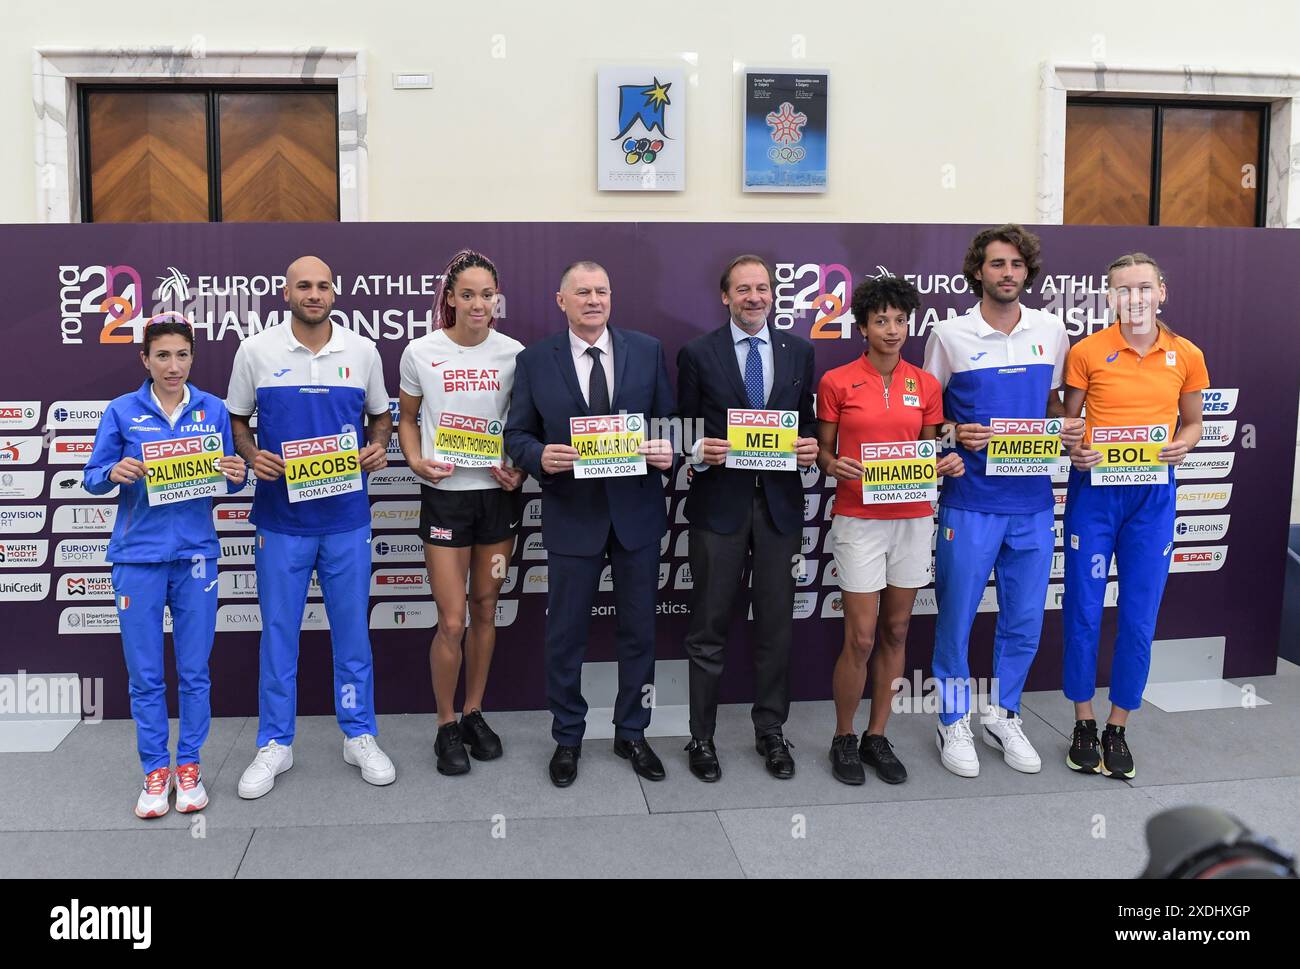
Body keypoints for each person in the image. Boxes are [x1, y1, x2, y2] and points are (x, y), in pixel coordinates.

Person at [227, 255, 396, 799]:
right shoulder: (255, 351)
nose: (315, 293)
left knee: (352, 635)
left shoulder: (363, 350)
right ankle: (275, 742)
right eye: (305, 285)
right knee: (279, 637)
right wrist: (252, 454)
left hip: (346, 519)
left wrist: (378, 447)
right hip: (281, 521)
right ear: (286, 292)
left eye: (323, 285)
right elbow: (236, 419)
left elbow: (381, 414)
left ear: (335, 292)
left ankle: (358, 733)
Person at [504, 261, 675, 788]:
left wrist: (671, 448)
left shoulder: (646, 350)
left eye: (601, 290)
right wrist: (539, 457)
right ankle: (568, 737)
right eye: (582, 292)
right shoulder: (535, 360)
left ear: (611, 297)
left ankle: (632, 732)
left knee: (639, 632)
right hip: (571, 515)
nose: (593, 299)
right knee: (565, 635)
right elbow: (516, 435)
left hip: (635, 516)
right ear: (562, 301)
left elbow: (671, 422)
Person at [923, 224, 1084, 778]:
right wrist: (952, 433)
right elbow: (926, 416)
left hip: (1034, 502)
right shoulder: (950, 335)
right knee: (958, 618)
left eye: (1016, 264)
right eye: (997, 264)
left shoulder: (1052, 331)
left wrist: (1068, 428)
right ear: (978, 271)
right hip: (970, 501)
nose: (1008, 273)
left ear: (1027, 271)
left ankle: (1005, 713)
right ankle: (952, 719)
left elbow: (1059, 405)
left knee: (1023, 619)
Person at [83, 317, 246, 818]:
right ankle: (156, 770)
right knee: (146, 674)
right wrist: (114, 471)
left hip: (197, 556)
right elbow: (92, 478)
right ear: (145, 360)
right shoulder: (121, 411)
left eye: (181, 355)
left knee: (195, 671)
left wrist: (236, 472)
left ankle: (190, 765)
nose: (173, 366)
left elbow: (232, 480)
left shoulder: (212, 410)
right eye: (162, 356)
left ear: (192, 358)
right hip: (138, 558)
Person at [1062, 253, 1207, 779]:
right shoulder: (1088, 351)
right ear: (1111, 298)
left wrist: (1182, 446)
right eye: (1123, 290)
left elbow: (1192, 423)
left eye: (1144, 288)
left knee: (1140, 616)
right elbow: (1068, 423)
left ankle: (1119, 724)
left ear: (1161, 292)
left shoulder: (1187, 354)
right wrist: (1073, 445)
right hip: (1095, 496)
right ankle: (1083, 720)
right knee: (1083, 609)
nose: (1135, 298)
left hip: (1153, 499)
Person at [675, 254, 819, 782]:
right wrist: (697, 449)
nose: (754, 297)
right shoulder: (697, 353)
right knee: (708, 628)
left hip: (780, 506)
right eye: (743, 289)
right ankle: (702, 737)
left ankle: (771, 732)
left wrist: (807, 447)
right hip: (719, 505)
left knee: (776, 628)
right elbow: (680, 429)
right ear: (725, 297)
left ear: (772, 295)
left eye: (762, 288)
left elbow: (804, 424)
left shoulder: (799, 351)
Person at [818, 276, 963, 785]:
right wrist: (831, 464)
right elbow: (824, 452)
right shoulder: (837, 381)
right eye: (882, 320)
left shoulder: (925, 385)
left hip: (913, 518)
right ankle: (843, 736)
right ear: (862, 326)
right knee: (859, 636)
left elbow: (929, 451)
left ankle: (877, 735)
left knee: (897, 629)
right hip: (859, 519)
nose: (893, 329)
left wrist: (945, 463)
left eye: (901, 320)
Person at [398, 249, 525, 775]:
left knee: (487, 609)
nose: (478, 304)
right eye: (467, 294)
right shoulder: (420, 352)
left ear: (498, 297)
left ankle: (475, 711)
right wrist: (413, 461)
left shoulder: (515, 352)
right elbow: (406, 419)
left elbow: (523, 427)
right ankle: (445, 722)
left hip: (497, 499)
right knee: (452, 619)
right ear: (449, 298)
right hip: (446, 497)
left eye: (486, 294)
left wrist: (518, 467)